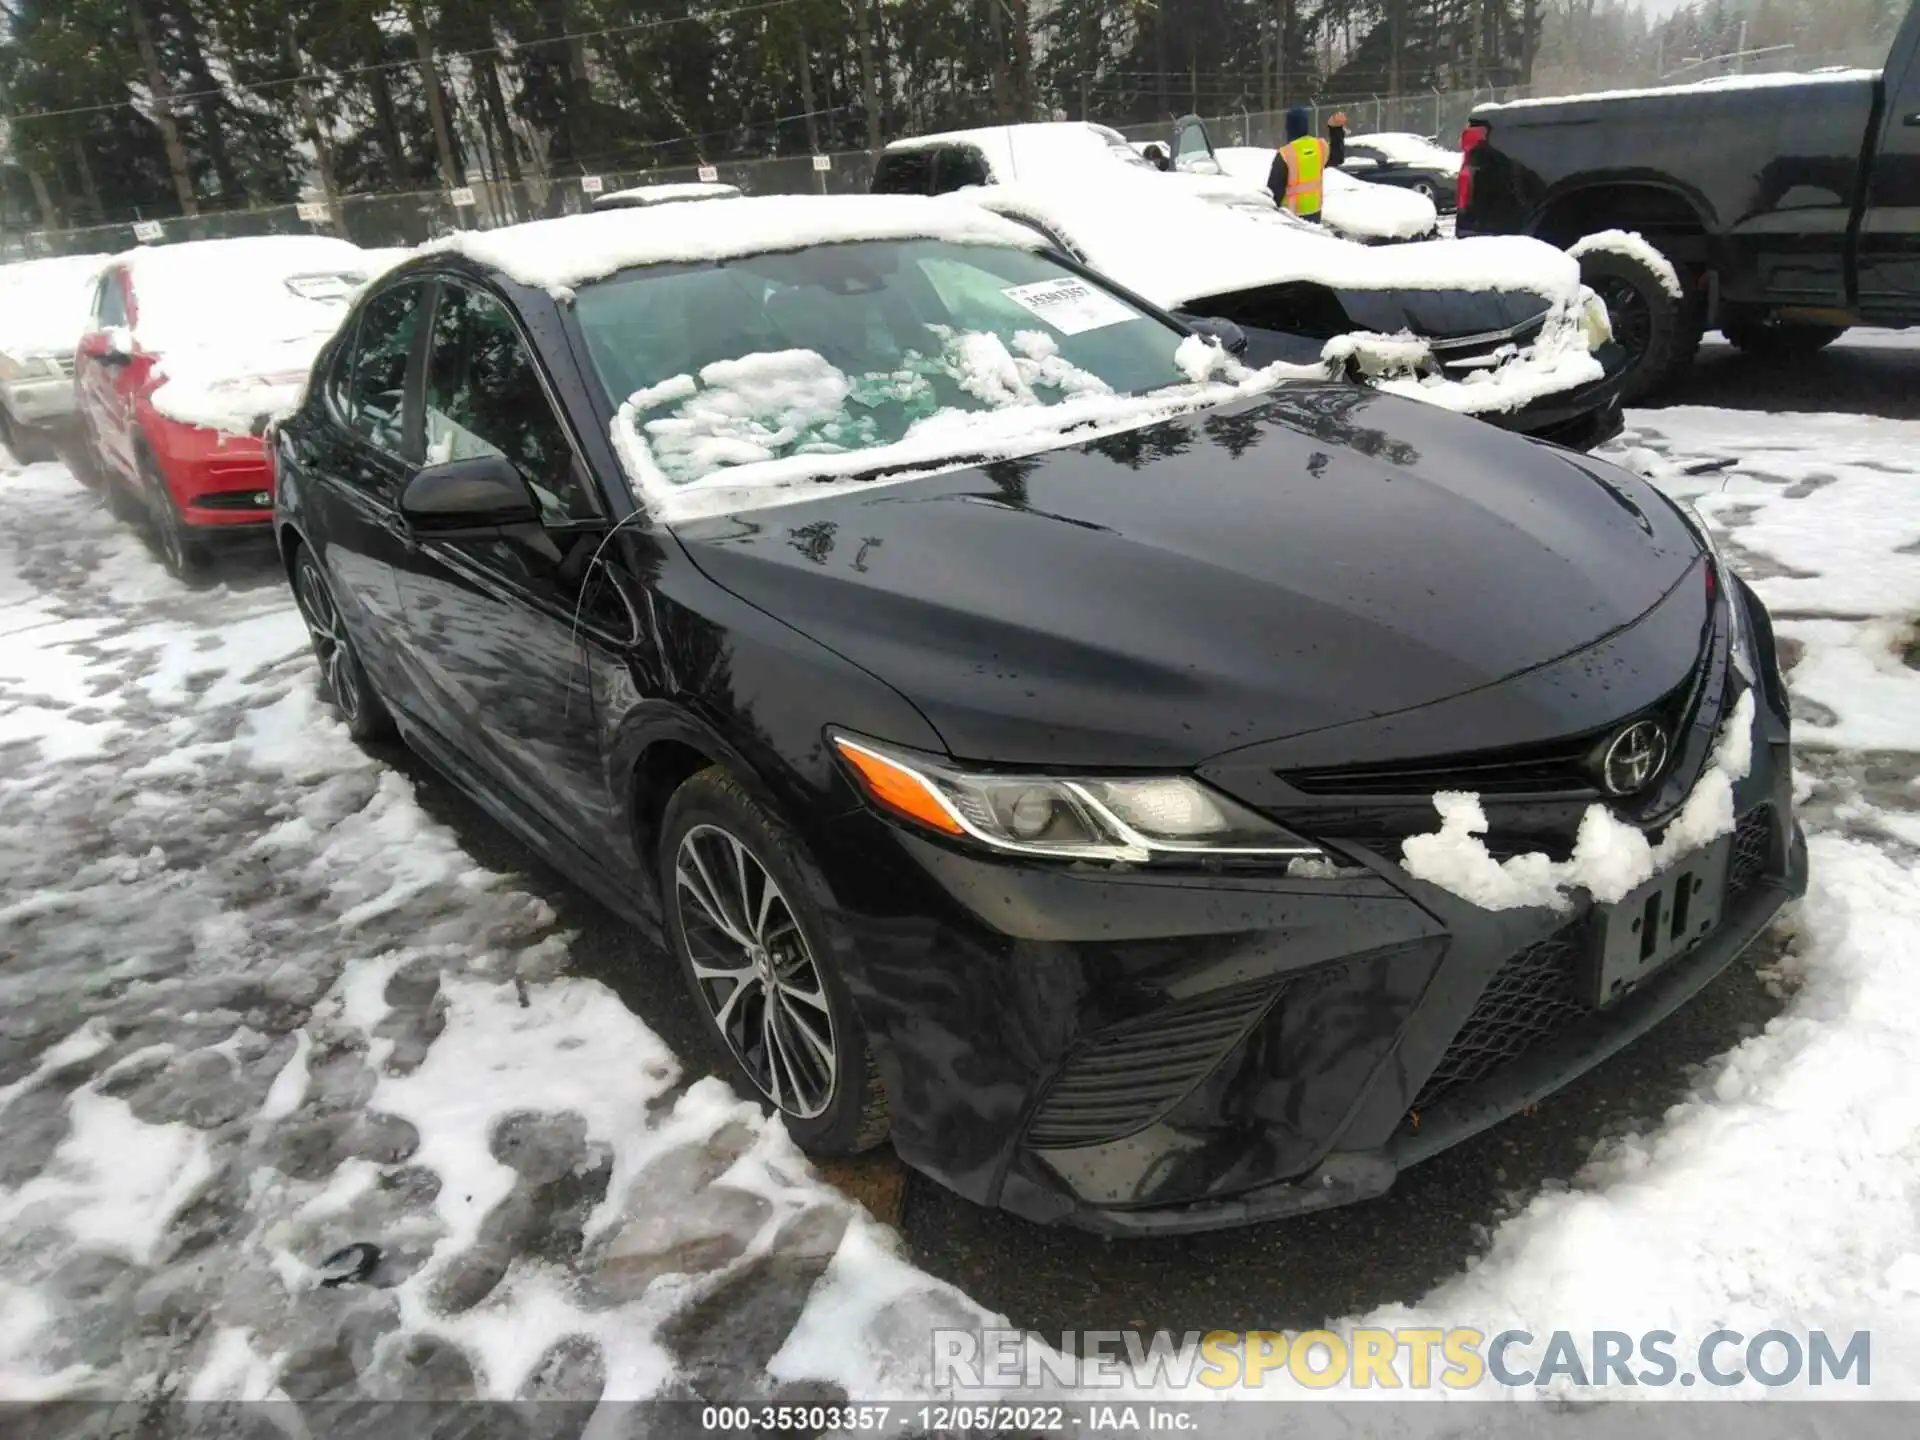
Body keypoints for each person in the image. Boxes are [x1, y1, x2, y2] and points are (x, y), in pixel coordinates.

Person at [1267, 107, 1347, 223]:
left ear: (1288, 127)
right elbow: (1338, 157)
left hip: (1290, 217)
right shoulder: (1320, 146)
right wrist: (1336, 130)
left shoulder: (1285, 153)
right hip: (1315, 213)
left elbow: (1274, 191)